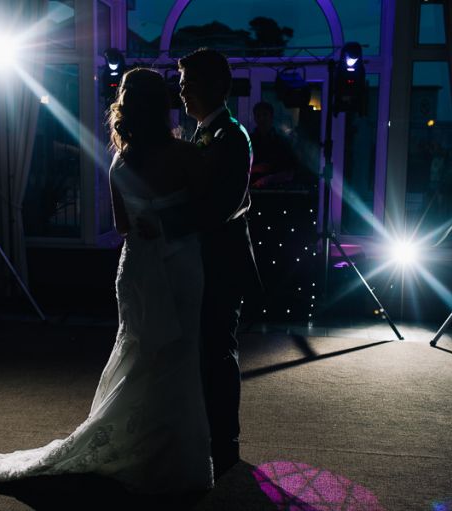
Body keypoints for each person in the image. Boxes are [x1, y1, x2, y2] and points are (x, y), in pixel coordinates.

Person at [0, 68, 214, 494]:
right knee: (179, 359)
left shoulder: (121, 159)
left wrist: (147, 217)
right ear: (164, 107)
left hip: (136, 270)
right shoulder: (187, 156)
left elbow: (121, 226)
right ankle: (172, 457)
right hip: (180, 269)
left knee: (139, 357)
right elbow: (208, 215)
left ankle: (135, 444)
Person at [178, 48, 259, 477]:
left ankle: (225, 444)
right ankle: (206, 435)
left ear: (210, 86)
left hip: (222, 263)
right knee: (204, 352)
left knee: (219, 352)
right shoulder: (203, 134)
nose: (182, 92)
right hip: (200, 262)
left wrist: (170, 217)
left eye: (187, 84)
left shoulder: (232, 136)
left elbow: (222, 206)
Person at [249, 101, 299, 188]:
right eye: (258, 116)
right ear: (255, 118)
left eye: (265, 115)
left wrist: (269, 179)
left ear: (271, 117)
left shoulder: (282, 142)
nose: (262, 119)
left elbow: (290, 172)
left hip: (277, 191)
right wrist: (255, 169)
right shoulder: (249, 141)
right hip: (254, 190)